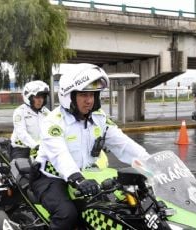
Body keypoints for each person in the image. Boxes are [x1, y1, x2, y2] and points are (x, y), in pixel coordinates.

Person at [30, 64, 150, 229]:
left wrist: (150, 163)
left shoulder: (99, 119)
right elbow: (60, 155)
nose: (89, 100)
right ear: (69, 96)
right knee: (67, 215)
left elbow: (123, 144)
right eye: (84, 95)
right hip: (51, 178)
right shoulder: (53, 121)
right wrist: (77, 178)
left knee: (121, 209)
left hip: (86, 177)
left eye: (93, 95)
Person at [10, 80, 50, 160]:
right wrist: (35, 145)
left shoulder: (46, 112)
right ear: (29, 97)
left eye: (42, 97)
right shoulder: (20, 112)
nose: (40, 100)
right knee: (21, 170)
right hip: (21, 149)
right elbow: (21, 133)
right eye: (37, 97)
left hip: (41, 150)